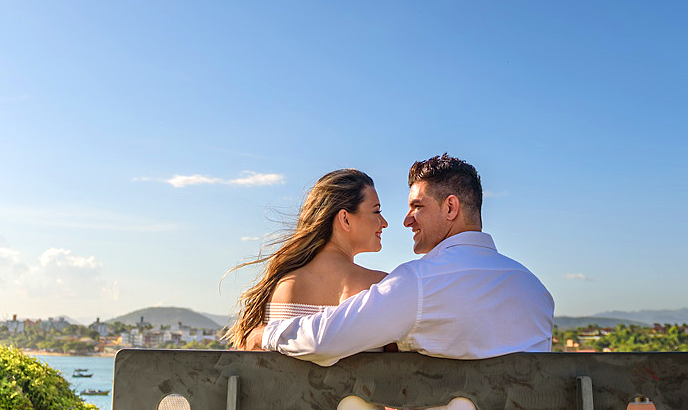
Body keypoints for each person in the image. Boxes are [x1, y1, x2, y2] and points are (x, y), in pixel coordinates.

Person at [250, 153, 553, 366]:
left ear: (450, 208)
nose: (406, 220)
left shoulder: (418, 285)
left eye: (417, 206)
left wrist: (266, 334)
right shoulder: (536, 291)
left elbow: (323, 340)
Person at [225, 168, 390, 350]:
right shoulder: (381, 288)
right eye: (376, 211)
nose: (384, 222)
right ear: (345, 219)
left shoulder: (283, 286)